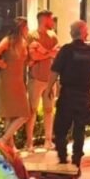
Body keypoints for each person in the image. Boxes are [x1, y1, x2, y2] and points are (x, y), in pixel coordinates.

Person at [51, 20, 90, 167]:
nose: (88, 32)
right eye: (86, 30)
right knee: (79, 129)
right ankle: (76, 160)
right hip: (83, 96)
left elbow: (54, 72)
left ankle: (62, 158)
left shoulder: (66, 50)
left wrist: (50, 88)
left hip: (67, 95)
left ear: (73, 33)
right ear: (82, 32)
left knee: (60, 129)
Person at [0, 17, 32, 148]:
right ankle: (5, 141)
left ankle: (8, 145)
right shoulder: (8, 41)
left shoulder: (24, 42)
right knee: (18, 114)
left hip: (18, 80)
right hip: (6, 80)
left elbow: (25, 61)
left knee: (16, 115)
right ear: (21, 28)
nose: (28, 29)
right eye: (26, 27)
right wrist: (2, 64)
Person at [26, 10, 60, 151]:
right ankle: (29, 143)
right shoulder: (31, 35)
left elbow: (57, 54)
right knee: (32, 111)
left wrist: (42, 52)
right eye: (51, 19)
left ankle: (48, 140)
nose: (53, 22)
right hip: (35, 79)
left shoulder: (53, 36)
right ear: (45, 19)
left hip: (50, 79)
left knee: (49, 110)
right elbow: (32, 56)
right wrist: (49, 53)